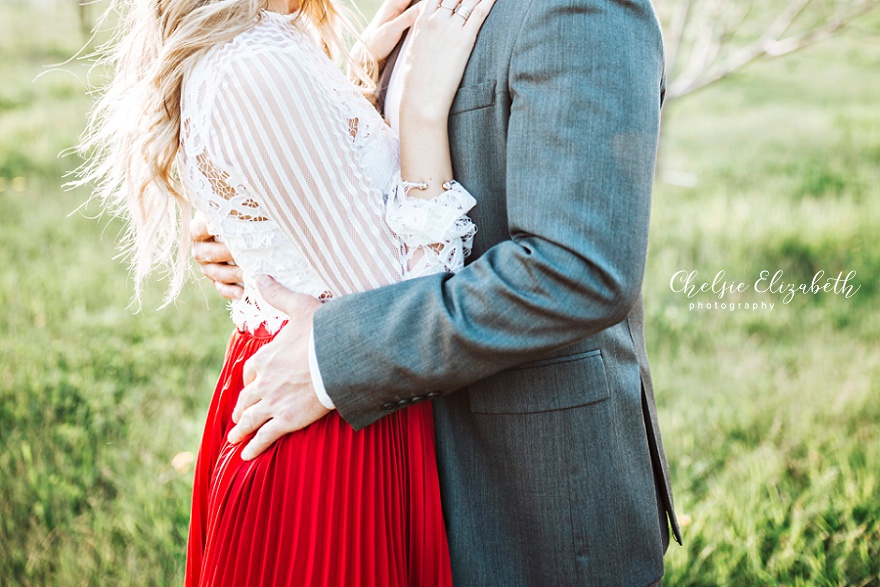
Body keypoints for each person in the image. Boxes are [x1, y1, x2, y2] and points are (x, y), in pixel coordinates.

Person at [195, 0, 683, 585]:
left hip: (521, 484)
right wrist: (254, 226)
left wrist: (335, 356)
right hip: (385, 467)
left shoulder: (578, 10)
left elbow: (577, 268)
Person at [76, 0, 498, 584]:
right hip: (333, 431)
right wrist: (421, 111)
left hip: (314, 393)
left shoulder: (265, 40)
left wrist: (359, 85)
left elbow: (322, 192)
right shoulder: (255, 66)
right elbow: (398, 309)